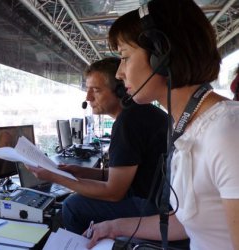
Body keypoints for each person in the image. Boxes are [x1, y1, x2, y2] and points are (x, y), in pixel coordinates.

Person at [87, 0, 239, 249]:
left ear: (162, 56)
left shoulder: (228, 133)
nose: (119, 73)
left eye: (124, 57)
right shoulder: (188, 126)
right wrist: (113, 226)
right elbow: (194, 220)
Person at [27, 57, 168, 234]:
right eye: (87, 90)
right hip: (159, 200)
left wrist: (56, 177)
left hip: (153, 208)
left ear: (120, 91)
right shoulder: (141, 113)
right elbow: (127, 176)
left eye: (96, 90)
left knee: (73, 205)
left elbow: (114, 192)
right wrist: (81, 172)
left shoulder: (128, 122)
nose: (88, 98)